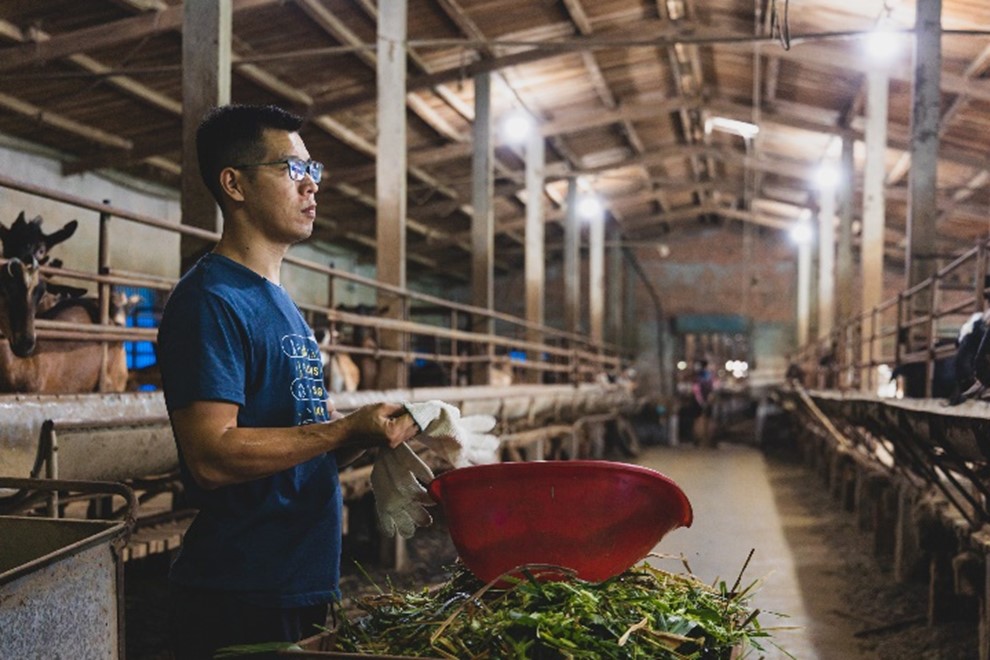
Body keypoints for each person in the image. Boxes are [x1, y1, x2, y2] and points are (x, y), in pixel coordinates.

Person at [157, 104, 420, 659]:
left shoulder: (285, 309)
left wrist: (363, 437)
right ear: (235, 184)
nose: (311, 186)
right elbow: (211, 455)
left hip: (297, 578)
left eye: (313, 171)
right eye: (291, 169)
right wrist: (340, 429)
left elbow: (297, 448)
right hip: (240, 589)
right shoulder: (211, 299)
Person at [689, 358, 716, 446]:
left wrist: (700, 401)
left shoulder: (696, 376)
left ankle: (697, 439)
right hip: (708, 400)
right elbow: (712, 388)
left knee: (697, 419)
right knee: (708, 420)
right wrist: (708, 399)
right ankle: (708, 439)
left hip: (698, 401)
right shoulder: (710, 376)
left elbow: (696, 390)